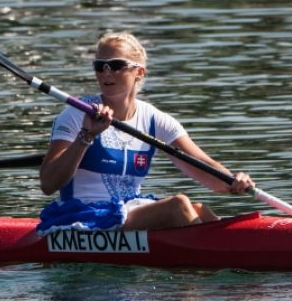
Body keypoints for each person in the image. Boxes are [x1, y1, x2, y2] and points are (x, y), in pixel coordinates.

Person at [37, 31, 255, 233]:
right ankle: (211, 266)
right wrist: (87, 136)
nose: (106, 72)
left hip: (127, 209)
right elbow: (48, 184)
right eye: (99, 66)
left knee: (200, 210)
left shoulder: (153, 118)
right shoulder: (76, 115)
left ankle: (227, 255)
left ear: (139, 72)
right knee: (176, 206)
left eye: (115, 65)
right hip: (83, 215)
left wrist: (233, 181)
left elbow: (201, 165)